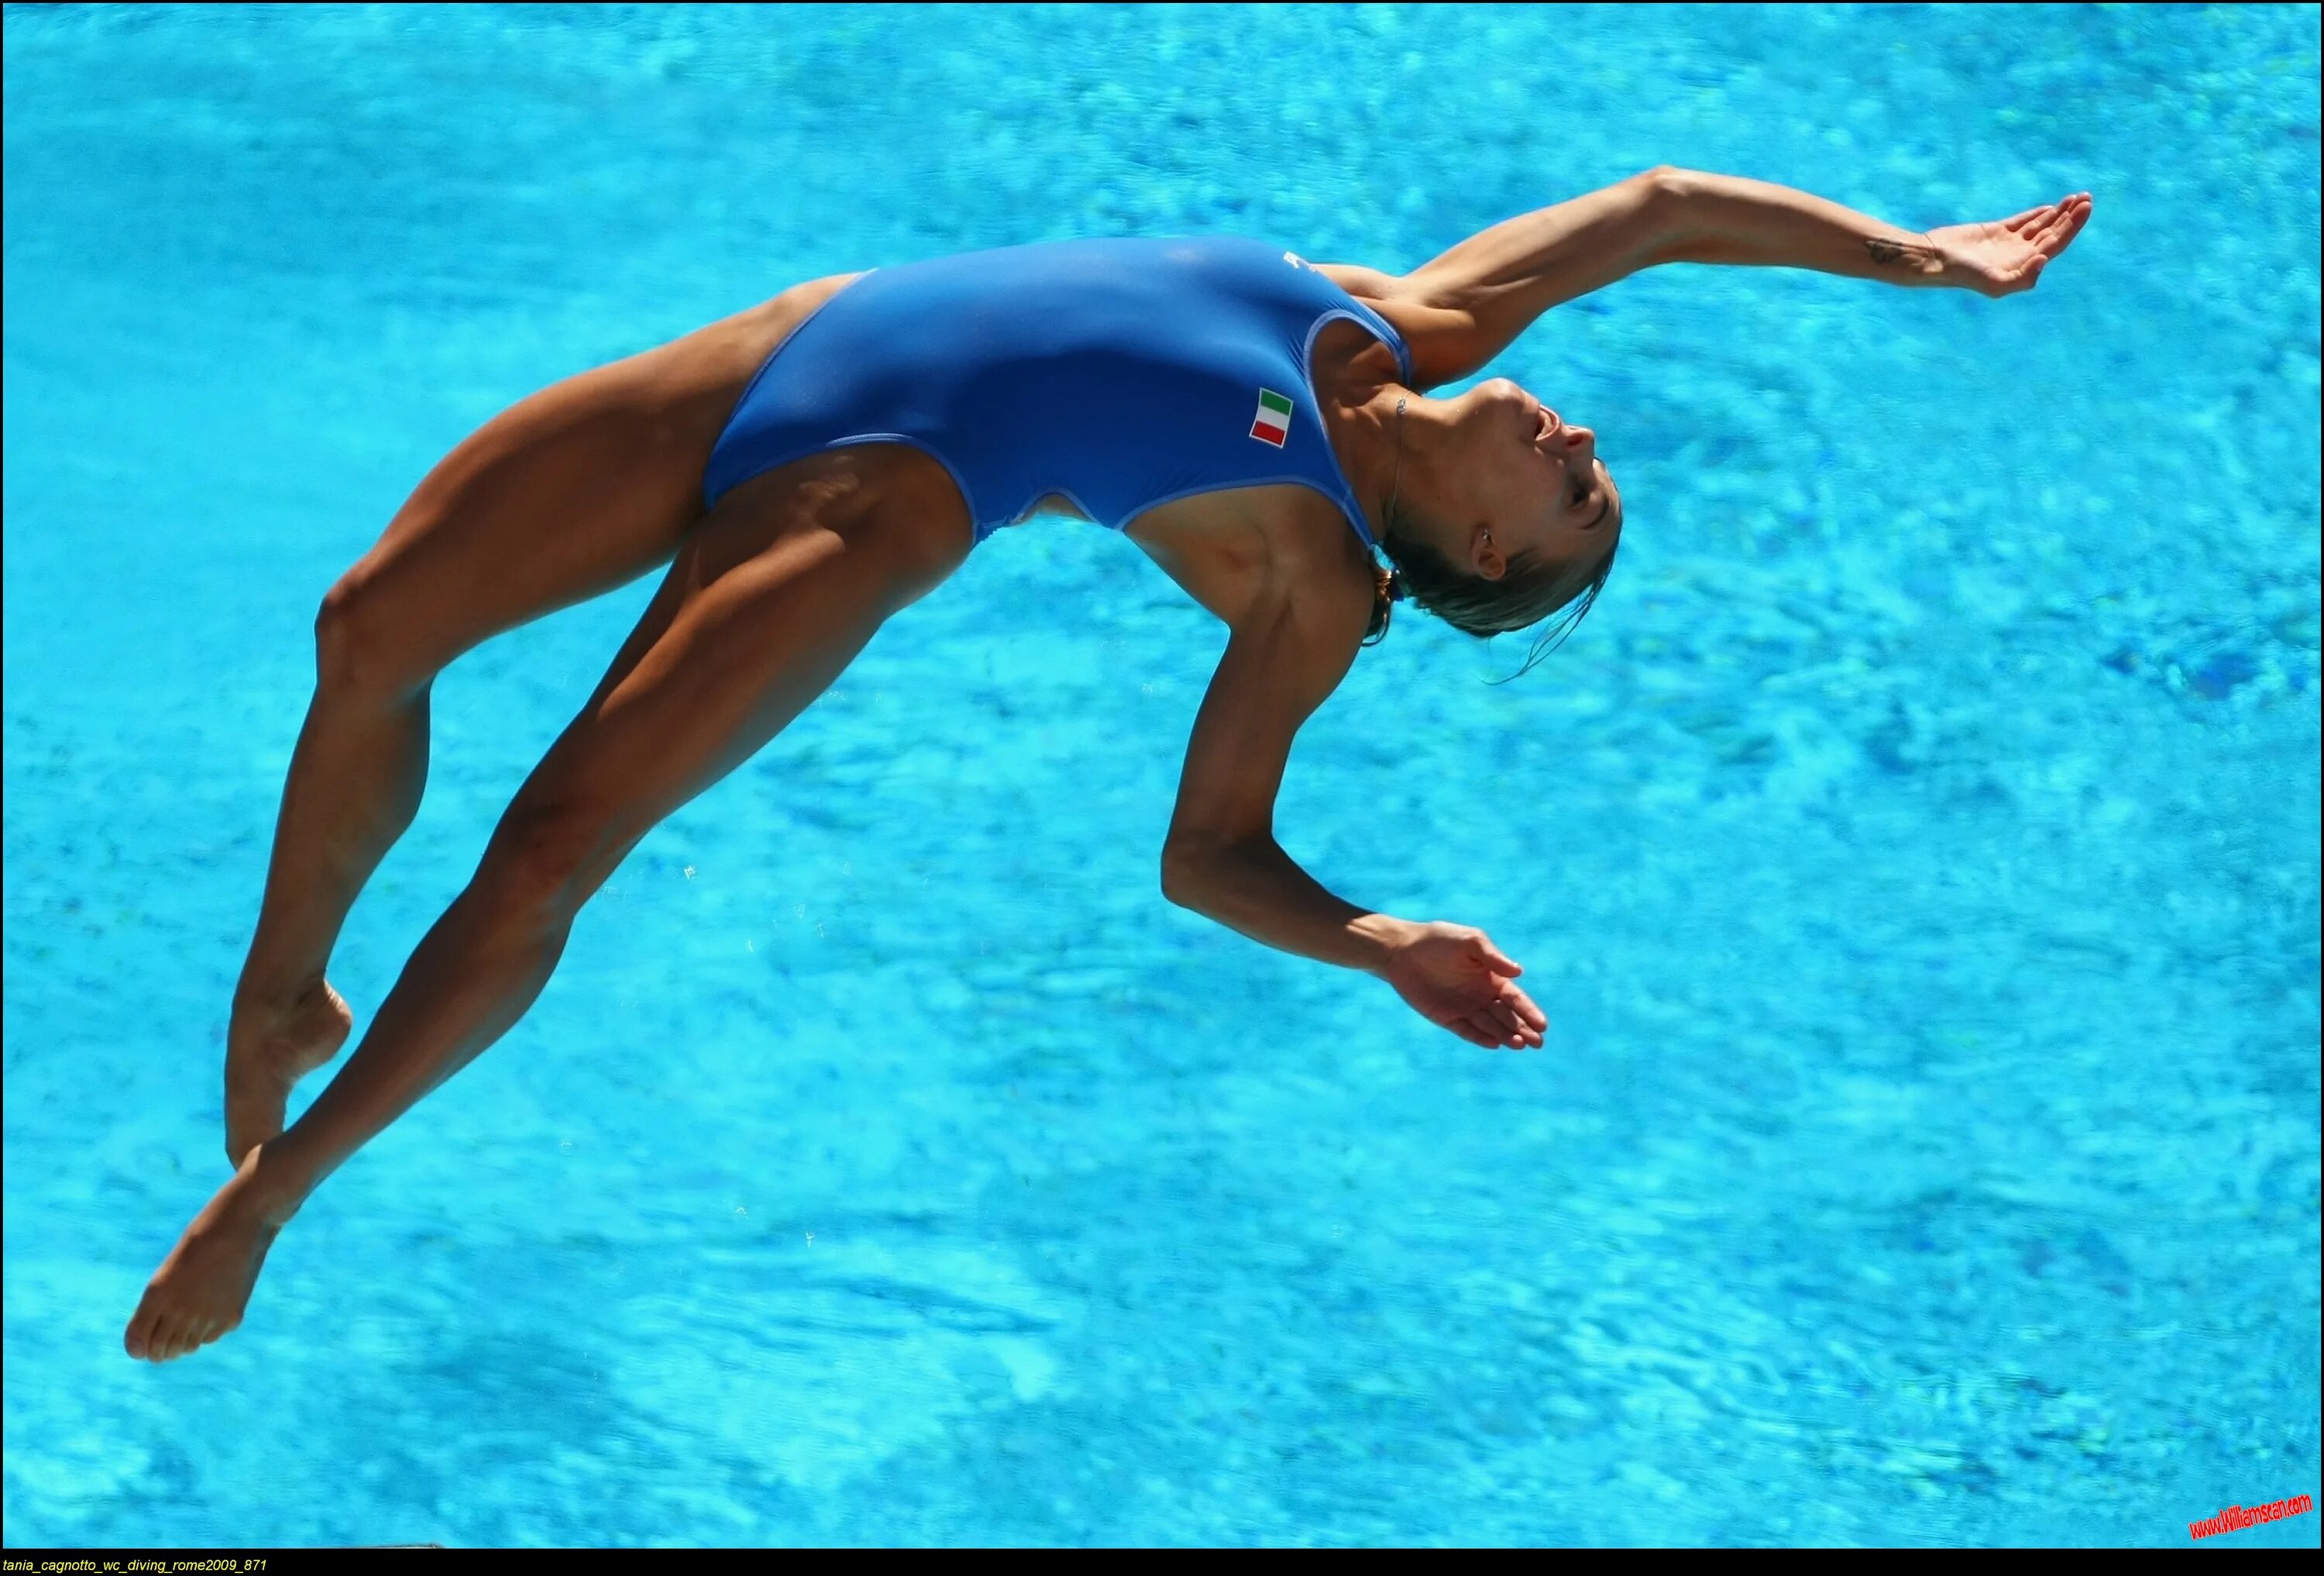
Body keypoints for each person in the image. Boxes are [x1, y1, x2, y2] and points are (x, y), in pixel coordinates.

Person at [124, 168, 2092, 1361]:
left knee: (553, 847)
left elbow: (1210, 855)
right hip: (804, 341)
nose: (1583, 447)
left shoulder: (1312, 584)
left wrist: (1382, 938)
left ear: (1480, 553)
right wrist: (1921, 261)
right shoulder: (1418, 320)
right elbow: (1665, 208)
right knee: (365, 627)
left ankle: (280, 1194)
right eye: (1590, 467)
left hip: (875, 489)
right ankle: (287, 977)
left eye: (1575, 496)